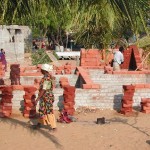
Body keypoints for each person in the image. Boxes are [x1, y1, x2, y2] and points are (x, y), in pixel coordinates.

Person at [35, 64, 56, 131]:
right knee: (42, 110)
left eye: (41, 69)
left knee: (49, 111)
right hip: (44, 96)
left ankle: (54, 127)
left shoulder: (47, 78)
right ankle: (39, 124)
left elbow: (44, 89)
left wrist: (37, 99)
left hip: (47, 97)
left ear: (44, 70)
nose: (40, 70)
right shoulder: (46, 77)